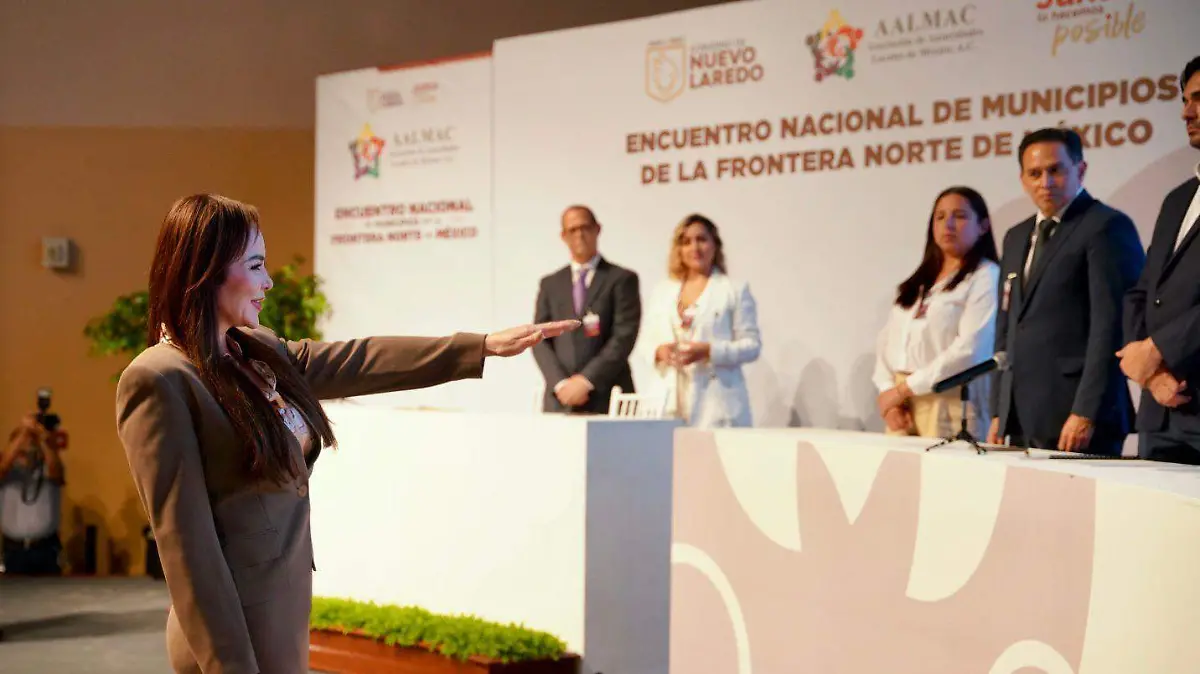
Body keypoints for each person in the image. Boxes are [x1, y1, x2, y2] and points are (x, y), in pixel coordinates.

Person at [114, 193, 578, 674]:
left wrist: (480, 346)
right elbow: (188, 553)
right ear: (207, 271)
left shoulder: (256, 351)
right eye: (255, 266)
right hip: (231, 632)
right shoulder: (159, 379)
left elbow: (361, 359)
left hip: (282, 609)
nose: (268, 282)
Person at [987, 127, 1145, 455]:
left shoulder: (1105, 226)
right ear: (1022, 179)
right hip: (1022, 415)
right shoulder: (1015, 237)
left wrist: (1085, 411)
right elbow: (1008, 326)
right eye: (1034, 173)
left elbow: (1112, 326)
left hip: (1077, 415)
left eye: (1055, 170)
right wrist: (999, 410)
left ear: (1080, 169)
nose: (1045, 182)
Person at [1119, 55, 1200, 464]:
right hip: (1161, 411)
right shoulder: (1177, 199)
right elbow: (1141, 291)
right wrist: (1151, 374)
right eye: (1185, 100)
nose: (1187, 112)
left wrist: (1159, 348)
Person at [873, 186, 1000, 439]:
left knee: (945, 478)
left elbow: (971, 350)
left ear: (983, 225)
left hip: (948, 399)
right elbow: (888, 341)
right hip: (901, 403)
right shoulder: (920, 281)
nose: (948, 224)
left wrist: (905, 389)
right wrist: (889, 392)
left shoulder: (985, 275)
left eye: (960, 216)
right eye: (940, 217)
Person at [641, 213, 761, 427]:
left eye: (702, 240)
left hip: (716, 402)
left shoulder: (734, 290)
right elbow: (645, 343)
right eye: (686, 242)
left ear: (715, 245)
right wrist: (660, 351)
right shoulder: (662, 291)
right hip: (669, 400)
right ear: (678, 249)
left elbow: (751, 346)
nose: (694, 248)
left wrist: (708, 351)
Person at [532, 205, 641, 414]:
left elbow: (623, 337)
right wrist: (561, 384)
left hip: (609, 395)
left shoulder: (621, 279)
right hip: (560, 399)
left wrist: (586, 381)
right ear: (563, 236)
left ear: (597, 229)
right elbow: (539, 339)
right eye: (572, 230)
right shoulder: (550, 284)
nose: (579, 234)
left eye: (585, 227)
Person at [0, 413, 66, 575]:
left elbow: (57, 472)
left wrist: (42, 437)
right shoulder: (8, 473)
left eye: (31, 442)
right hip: (13, 551)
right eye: (21, 445)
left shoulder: (47, 468)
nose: (27, 448)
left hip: (46, 549)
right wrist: (24, 431)